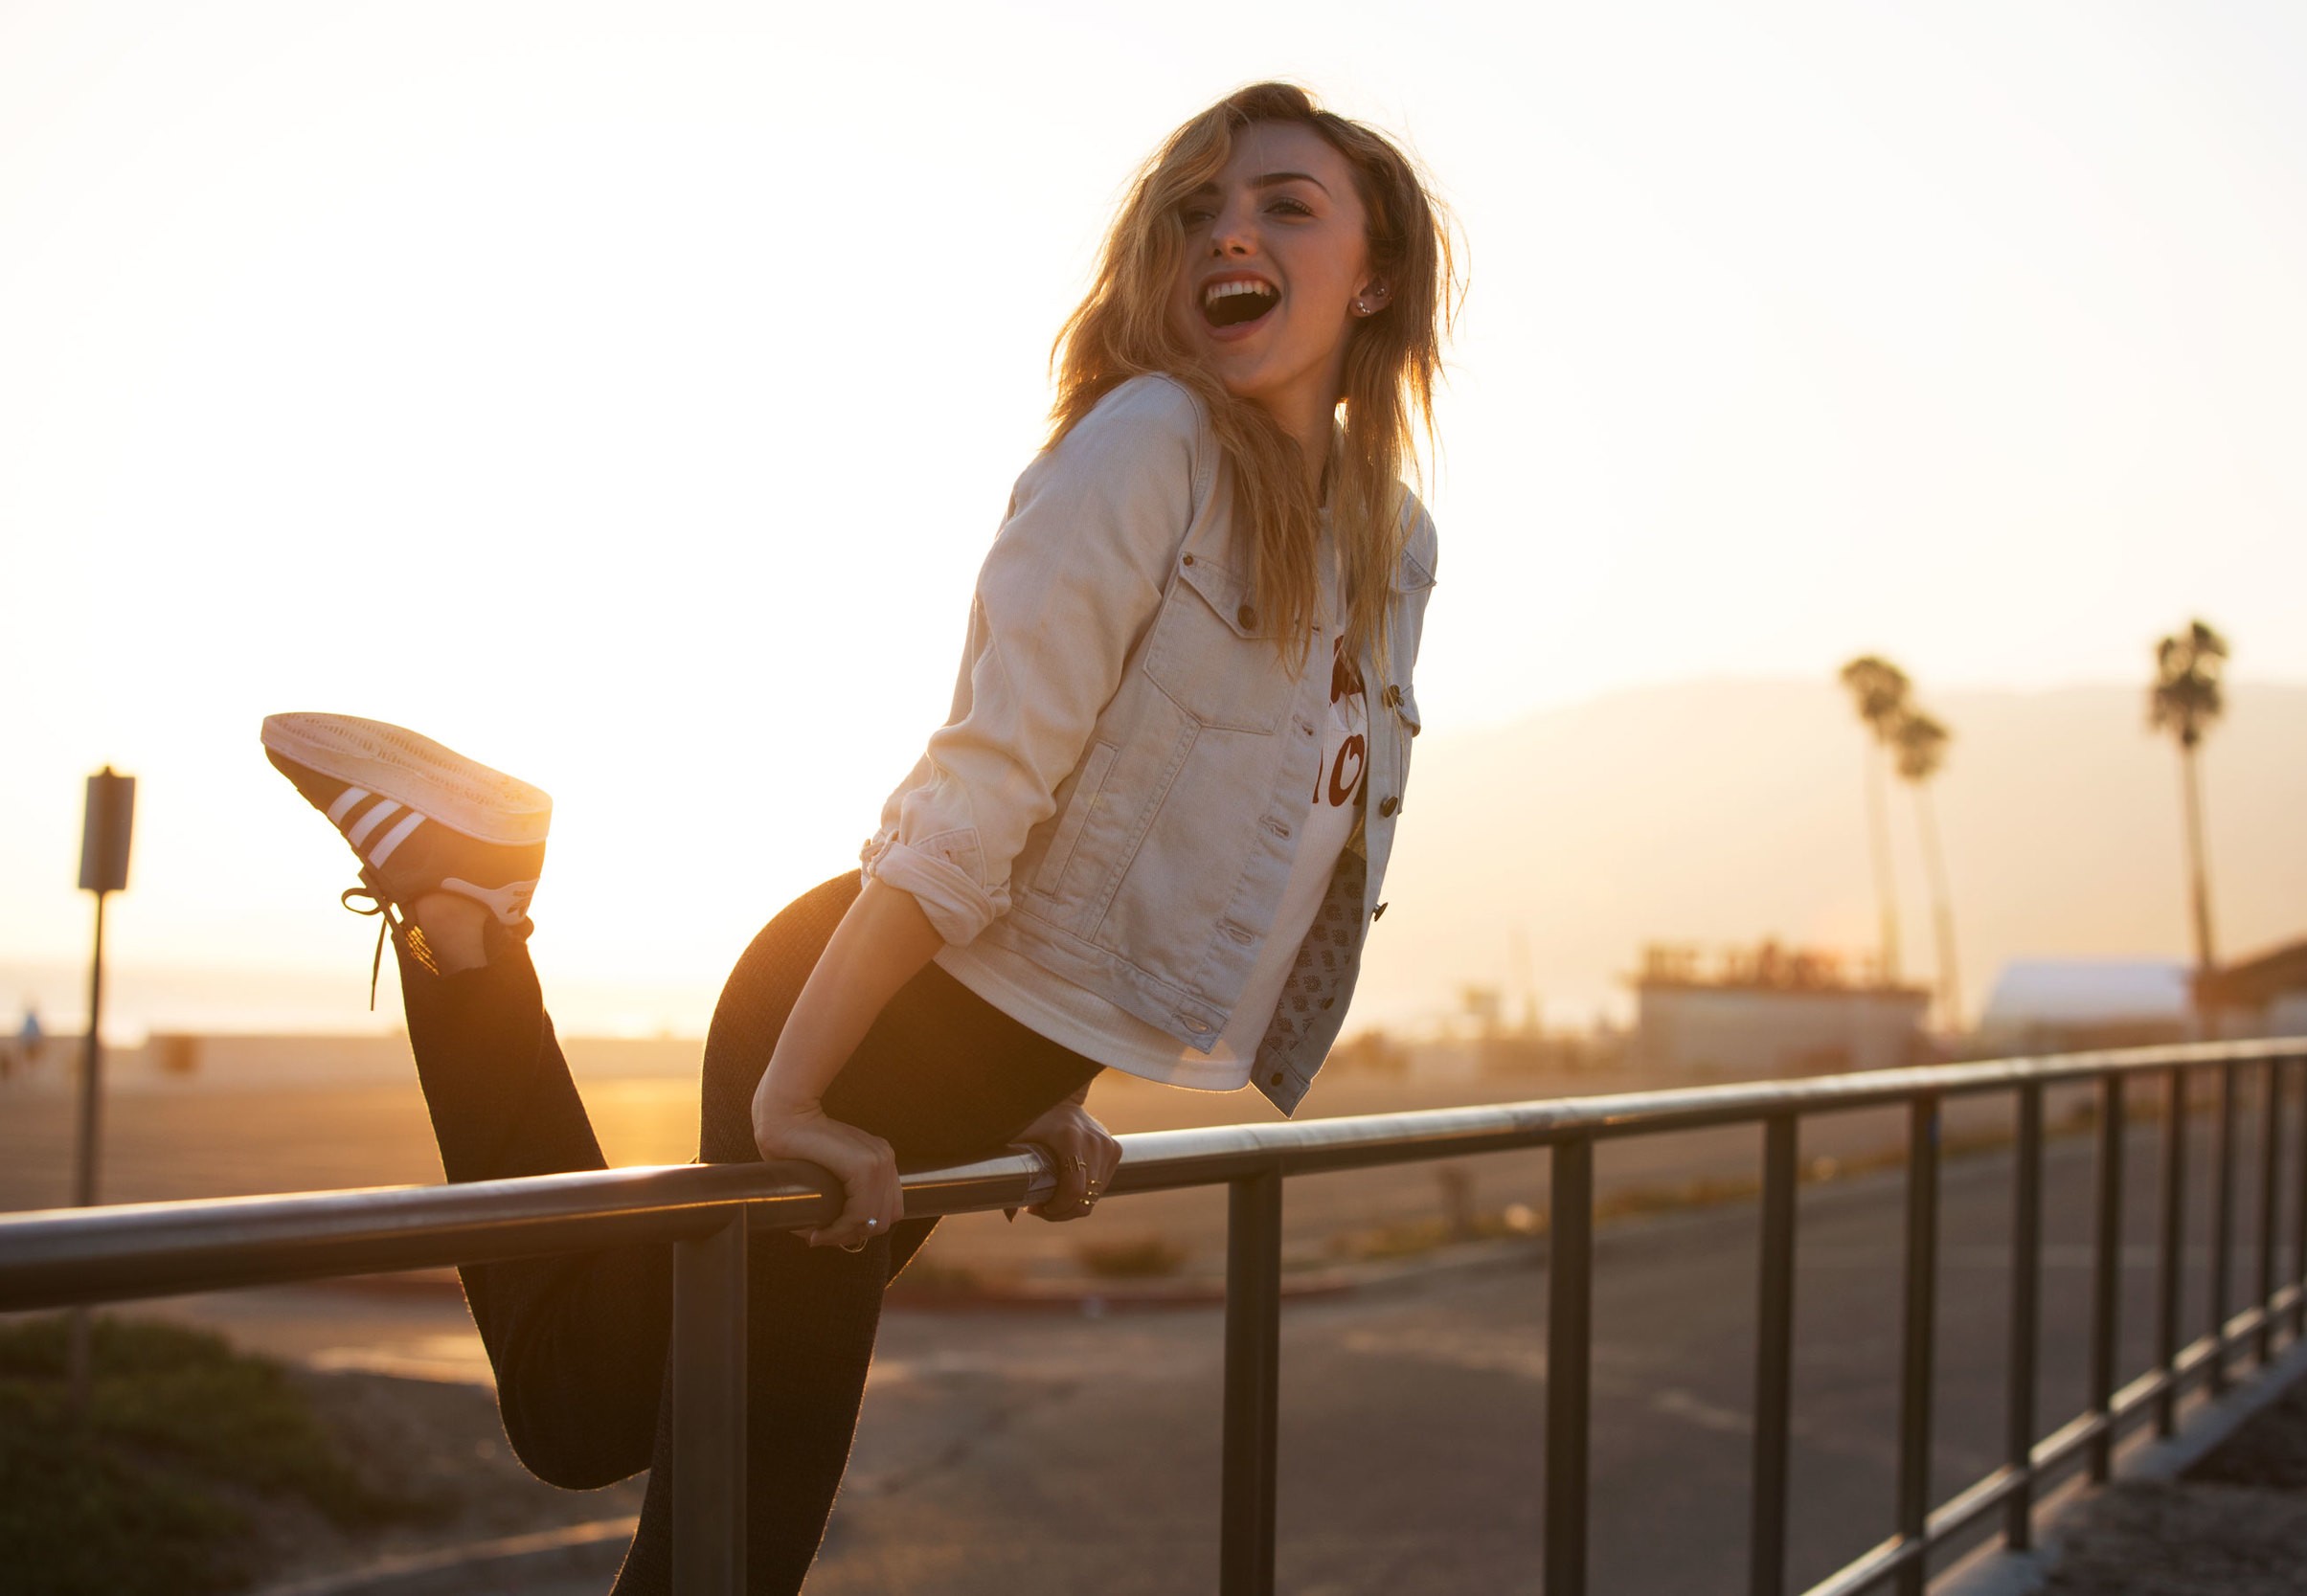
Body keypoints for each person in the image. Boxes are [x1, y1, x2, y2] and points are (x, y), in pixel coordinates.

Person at [260, 80, 1452, 1592]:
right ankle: (465, 917)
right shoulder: (1146, 446)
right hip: (862, 1023)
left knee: (587, 1409)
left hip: (973, 1060)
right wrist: (799, 1094)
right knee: (723, 1560)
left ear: (1379, 272)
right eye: (1200, 209)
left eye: (1286, 205)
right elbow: (988, 781)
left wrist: (1056, 1077)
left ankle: (465, 910)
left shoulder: (1386, 537)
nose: (1233, 233)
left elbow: (1248, 842)